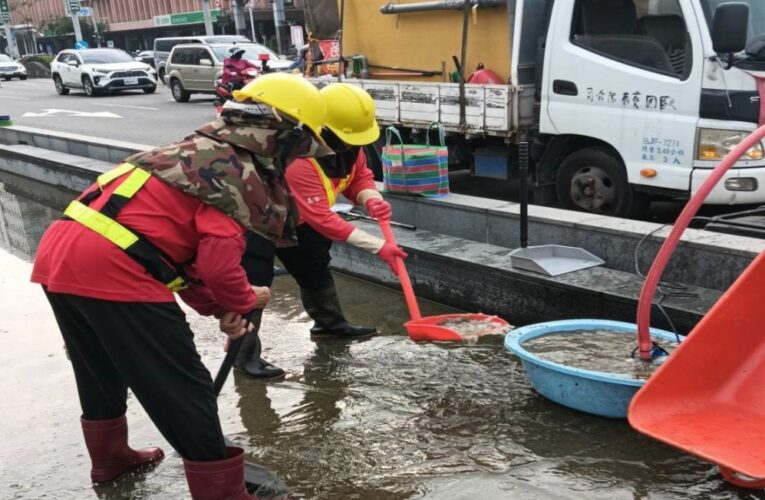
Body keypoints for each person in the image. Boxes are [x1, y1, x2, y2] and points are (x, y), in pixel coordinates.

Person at [31, 73, 330, 499]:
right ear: (281, 137)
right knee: (183, 383)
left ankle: (111, 458)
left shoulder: (193, 152)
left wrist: (220, 309)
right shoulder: (235, 174)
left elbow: (174, 259)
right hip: (115, 267)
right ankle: (222, 491)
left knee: (98, 366)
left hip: (64, 251)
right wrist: (245, 299)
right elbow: (217, 266)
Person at [234, 83, 407, 378]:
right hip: (257, 222)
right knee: (254, 285)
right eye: (346, 138)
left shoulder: (350, 145)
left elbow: (359, 178)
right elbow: (321, 217)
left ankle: (329, 324)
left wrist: (371, 198)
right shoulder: (299, 158)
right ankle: (244, 355)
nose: (352, 145)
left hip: (299, 220)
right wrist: (379, 247)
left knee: (315, 268)